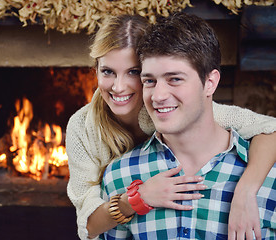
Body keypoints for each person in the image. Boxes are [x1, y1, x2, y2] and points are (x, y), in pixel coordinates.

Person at [66, 14, 276, 240]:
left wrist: (247, 189)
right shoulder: (85, 128)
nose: (119, 87)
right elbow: (88, 225)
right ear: (95, 70)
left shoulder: (186, 108)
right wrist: (138, 198)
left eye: (134, 72)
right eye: (108, 71)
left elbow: (268, 128)